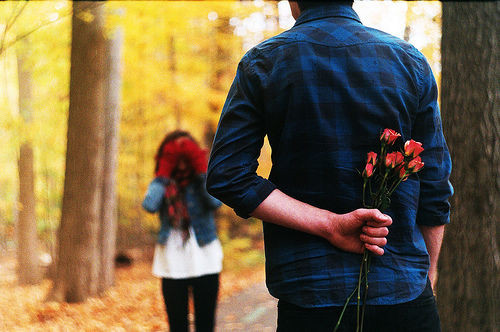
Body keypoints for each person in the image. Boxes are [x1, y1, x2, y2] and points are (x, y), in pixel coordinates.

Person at [206, 1, 453, 331]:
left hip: (310, 295)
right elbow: (434, 183)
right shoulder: (410, 62)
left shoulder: (264, 63)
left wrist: (328, 224)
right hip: (403, 292)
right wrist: (427, 273)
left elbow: (228, 175)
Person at [142, 130, 223, 332]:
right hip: (172, 260)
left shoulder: (201, 180)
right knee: (177, 325)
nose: (180, 161)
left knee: (206, 324)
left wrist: (201, 170)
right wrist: (164, 172)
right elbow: (150, 205)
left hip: (205, 257)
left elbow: (215, 201)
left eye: (184, 154)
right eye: (174, 155)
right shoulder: (161, 183)